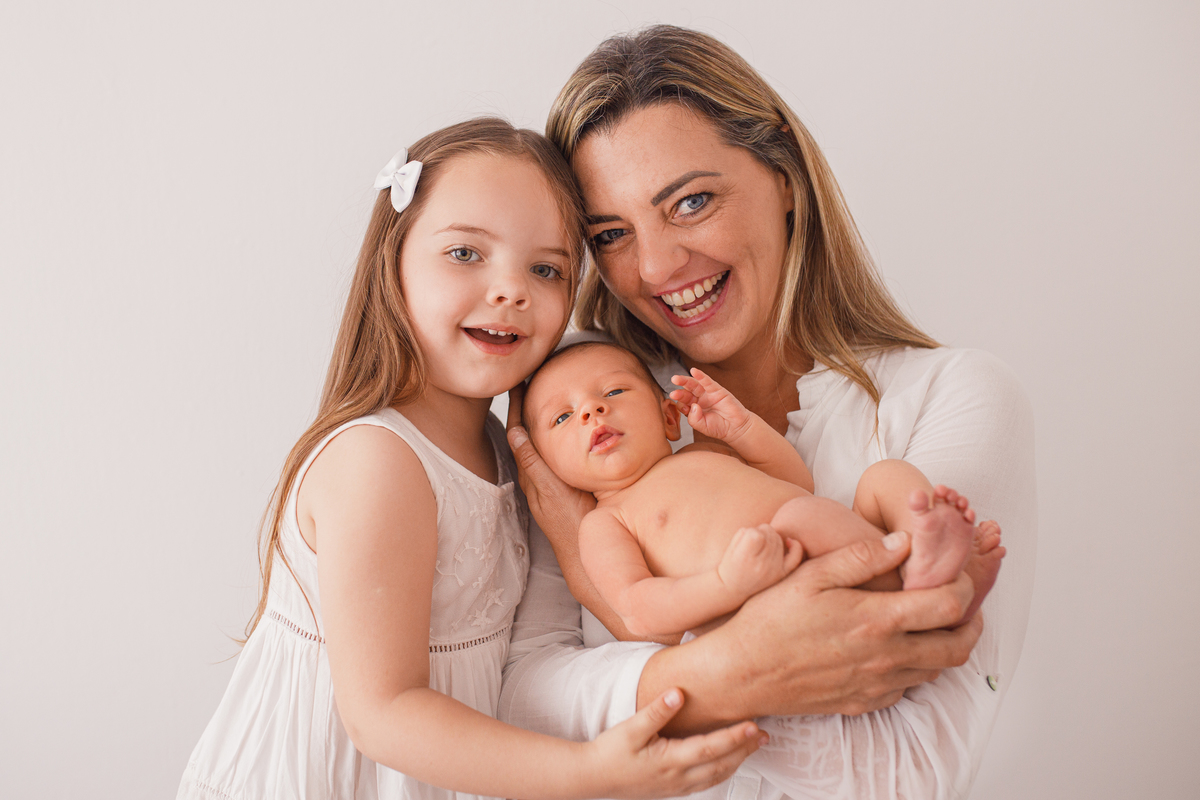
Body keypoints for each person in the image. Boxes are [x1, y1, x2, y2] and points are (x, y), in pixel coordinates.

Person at [498, 25, 1036, 799]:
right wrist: (738, 667)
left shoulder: (956, 395)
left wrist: (685, 670)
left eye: (690, 201)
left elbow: (903, 772)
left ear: (783, 175)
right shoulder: (584, 424)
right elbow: (517, 707)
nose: (654, 268)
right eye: (611, 234)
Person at [177, 118, 764, 800]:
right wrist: (587, 772)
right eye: (465, 254)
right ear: (392, 262)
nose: (511, 289)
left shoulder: (509, 450)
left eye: (545, 269)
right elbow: (383, 714)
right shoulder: (379, 462)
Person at [521, 341, 1003, 639]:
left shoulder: (704, 454)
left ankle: (924, 543)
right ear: (552, 469)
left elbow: (794, 481)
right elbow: (638, 609)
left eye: (613, 393)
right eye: (562, 418)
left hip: (832, 539)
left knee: (886, 476)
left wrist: (742, 429)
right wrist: (727, 584)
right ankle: (919, 586)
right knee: (799, 516)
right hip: (771, 599)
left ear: (670, 417)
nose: (591, 412)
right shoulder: (605, 523)